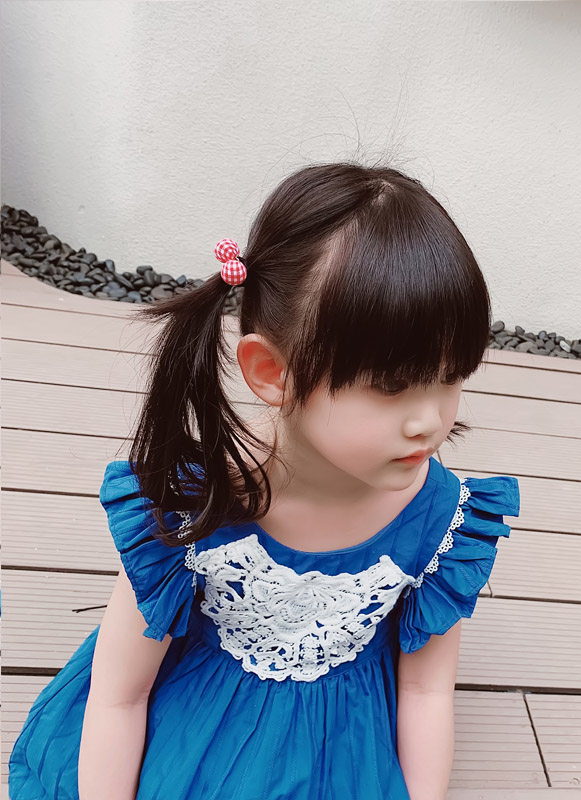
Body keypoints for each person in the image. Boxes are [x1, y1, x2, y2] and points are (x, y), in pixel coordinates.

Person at [8, 161, 521, 800]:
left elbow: (425, 690)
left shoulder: (442, 522)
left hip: (343, 742)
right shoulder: (194, 505)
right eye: (392, 386)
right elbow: (120, 694)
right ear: (273, 372)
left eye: (451, 377)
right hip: (192, 724)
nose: (429, 421)